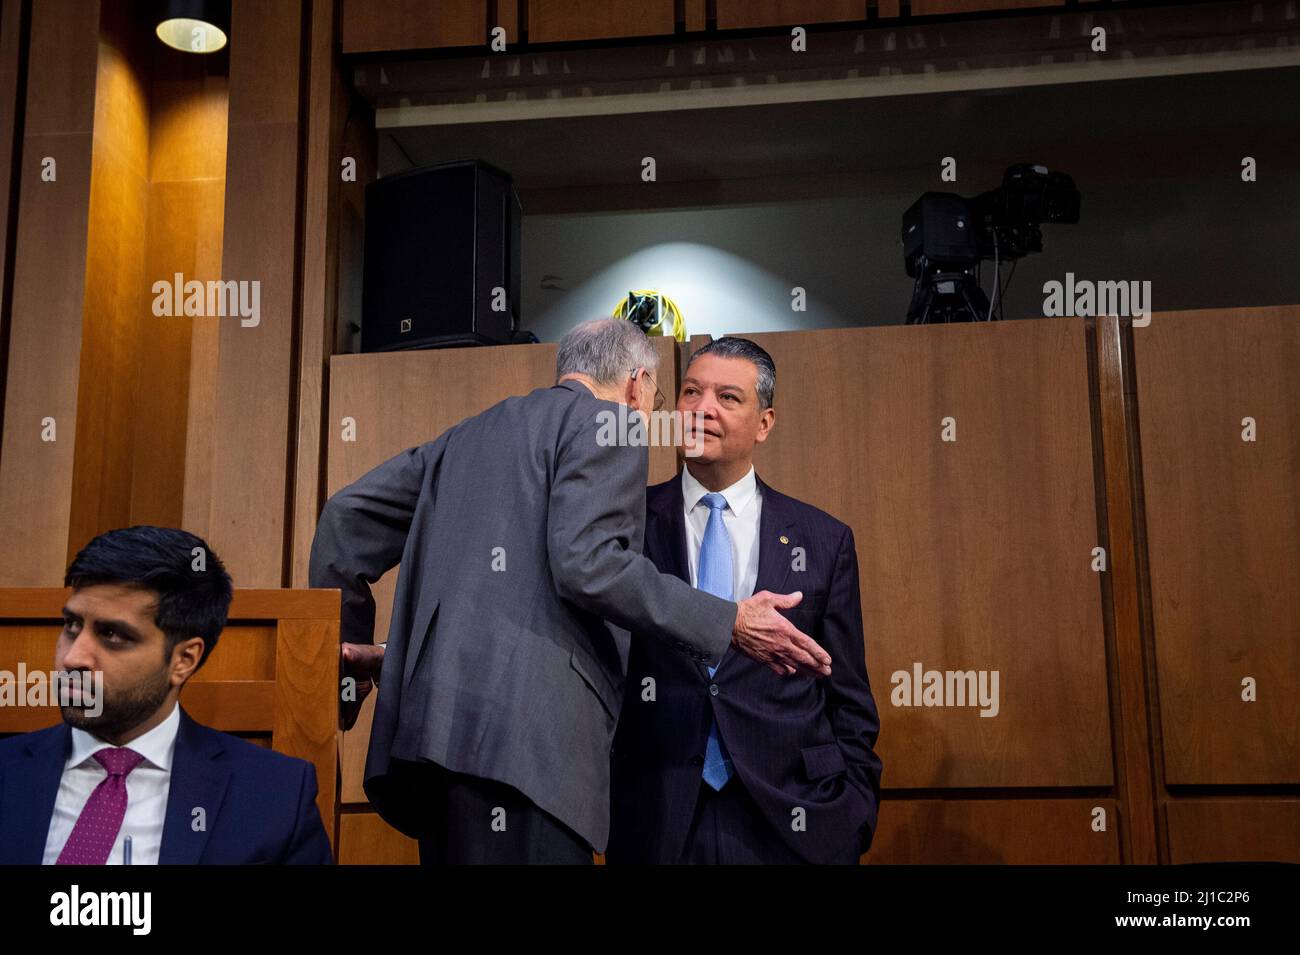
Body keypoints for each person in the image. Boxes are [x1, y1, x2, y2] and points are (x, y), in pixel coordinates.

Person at [309, 317, 830, 864]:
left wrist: (344, 661)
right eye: (657, 397)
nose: (650, 416)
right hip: (533, 755)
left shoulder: (468, 434)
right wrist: (730, 622)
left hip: (432, 748)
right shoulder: (612, 423)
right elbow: (588, 565)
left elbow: (346, 518)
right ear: (634, 384)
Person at [607, 337, 882, 864]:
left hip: (791, 818)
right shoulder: (623, 525)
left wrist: (852, 813)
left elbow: (849, 698)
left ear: (765, 422)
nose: (701, 408)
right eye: (691, 391)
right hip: (658, 817)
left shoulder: (822, 539)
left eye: (728, 397)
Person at [0, 526, 334, 864]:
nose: (73, 658)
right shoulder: (7, 770)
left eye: (113, 634)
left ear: (183, 660)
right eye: (72, 627)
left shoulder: (275, 796)